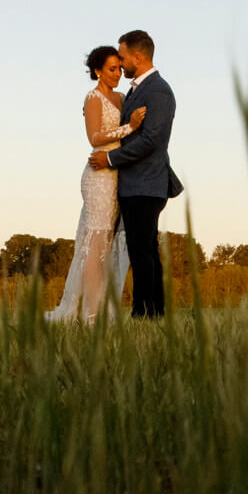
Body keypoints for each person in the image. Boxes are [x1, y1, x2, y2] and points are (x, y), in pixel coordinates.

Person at [87, 29, 183, 318]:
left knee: (142, 252)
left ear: (138, 57)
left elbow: (151, 140)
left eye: (124, 57)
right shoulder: (135, 89)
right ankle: (154, 312)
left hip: (146, 183)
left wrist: (111, 159)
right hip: (133, 183)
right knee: (144, 250)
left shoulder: (158, 90)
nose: (121, 61)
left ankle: (144, 312)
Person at [46, 46, 140, 322]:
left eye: (120, 69)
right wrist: (129, 127)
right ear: (98, 71)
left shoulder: (123, 98)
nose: (118, 74)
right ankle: (89, 314)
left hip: (117, 176)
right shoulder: (93, 98)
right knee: (95, 243)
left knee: (108, 244)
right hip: (98, 177)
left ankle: (102, 307)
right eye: (112, 69)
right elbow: (95, 138)